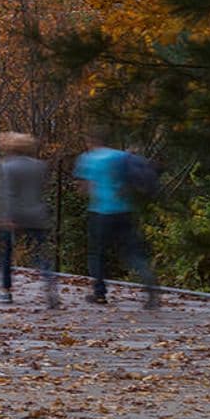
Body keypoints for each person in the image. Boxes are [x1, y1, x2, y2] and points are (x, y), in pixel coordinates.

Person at [73, 131, 162, 309]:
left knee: (97, 253)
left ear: (90, 141)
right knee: (132, 252)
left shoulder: (88, 159)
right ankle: (150, 284)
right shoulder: (122, 156)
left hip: (101, 212)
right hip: (124, 211)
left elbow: (84, 189)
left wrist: (91, 190)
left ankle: (99, 294)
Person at [0, 131, 59, 307]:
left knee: (5, 254)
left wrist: (6, 216)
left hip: (14, 215)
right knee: (39, 253)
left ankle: (6, 292)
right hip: (37, 214)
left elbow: (8, 194)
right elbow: (42, 190)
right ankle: (49, 283)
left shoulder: (6, 166)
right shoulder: (40, 166)